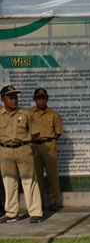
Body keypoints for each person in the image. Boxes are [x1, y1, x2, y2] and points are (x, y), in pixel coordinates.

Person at [0, 85, 43, 224]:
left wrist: (26, 146)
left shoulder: (25, 113)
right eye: (10, 97)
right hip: (5, 150)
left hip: (23, 149)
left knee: (29, 181)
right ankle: (12, 213)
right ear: (3, 100)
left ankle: (36, 212)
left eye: (15, 96)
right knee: (9, 181)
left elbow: (35, 133)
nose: (14, 99)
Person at [29, 88, 64, 211]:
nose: (41, 101)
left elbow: (58, 132)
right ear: (34, 99)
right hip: (34, 146)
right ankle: (39, 202)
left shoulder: (53, 114)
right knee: (37, 176)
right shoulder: (29, 113)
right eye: (39, 98)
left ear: (47, 99)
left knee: (52, 175)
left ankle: (54, 202)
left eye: (44, 98)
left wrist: (49, 140)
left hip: (49, 146)